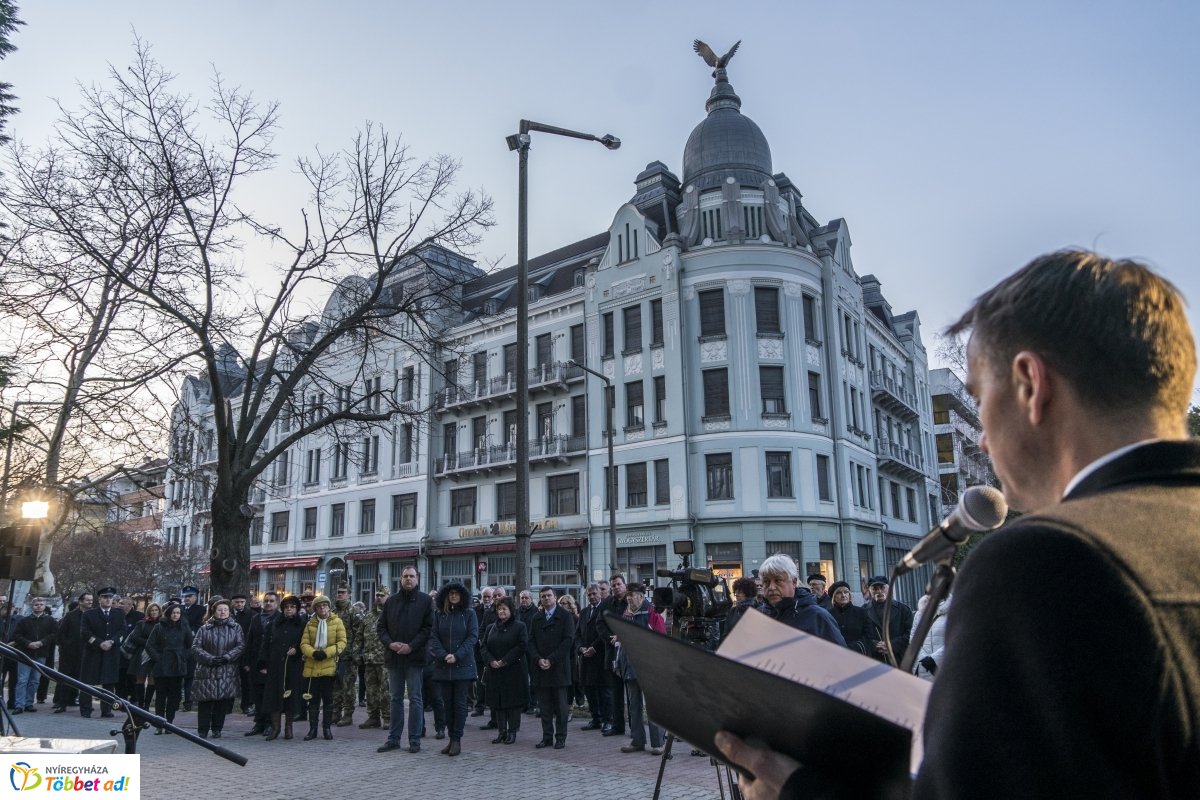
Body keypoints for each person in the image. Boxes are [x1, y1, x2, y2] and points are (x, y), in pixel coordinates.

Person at [717, 249, 1200, 798]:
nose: (983, 440)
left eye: (979, 397)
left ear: (1030, 384)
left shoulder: (1046, 560)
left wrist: (796, 788)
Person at [376, 566, 432, 754]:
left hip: (415, 657)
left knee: (415, 698)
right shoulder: (391, 601)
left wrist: (411, 646)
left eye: (412, 576)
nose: (409, 579)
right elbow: (381, 627)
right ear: (400, 579)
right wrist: (390, 644)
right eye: (405, 576)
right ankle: (393, 739)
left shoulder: (425, 601)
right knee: (395, 699)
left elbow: (428, 628)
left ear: (417, 578)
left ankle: (415, 739)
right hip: (394, 657)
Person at [614, 582, 665, 754]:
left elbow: (661, 640)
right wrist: (618, 662)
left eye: (632, 595)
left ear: (642, 596)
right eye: (628, 595)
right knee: (633, 706)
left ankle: (658, 743)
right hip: (629, 665)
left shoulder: (652, 613)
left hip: (649, 667)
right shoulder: (626, 613)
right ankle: (637, 741)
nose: (629, 598)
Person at [428, 582, 477, 756]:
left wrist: (457, 655)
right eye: (450, 593)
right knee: (446, 704)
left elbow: (472, 637)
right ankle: (450, 738)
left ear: (462, 595)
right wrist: (443, 655)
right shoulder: (439, 614)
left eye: (456, 593)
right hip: (443, 665)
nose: (453, 596)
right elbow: (434, 637)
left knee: (460, 704)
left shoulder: (469, 614)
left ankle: (457, 739)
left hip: (462, 665)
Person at [528, 586, 576, 750]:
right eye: (543, 596)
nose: (546, 598)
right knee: (545, 706)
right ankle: (547, 737)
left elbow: (568, 640)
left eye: (549, 595)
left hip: (559, 667)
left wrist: (551, 659)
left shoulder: (565, 616)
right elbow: (531, 641)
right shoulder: (536, 618)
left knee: (561, 707)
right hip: (541, 668)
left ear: (555, 597)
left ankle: (560, 737)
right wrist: (539, 659)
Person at [757, 555, 844, 645]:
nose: (771, 587)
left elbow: (840, 652)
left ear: (794, 582)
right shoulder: (759, 615)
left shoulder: (817, 616)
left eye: (778, 580)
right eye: (766, 581)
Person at [191, 598, 245, 739]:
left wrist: (227, 657)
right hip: (206, 669)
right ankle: (202, 730)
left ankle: (217, 728)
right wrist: (210, 658)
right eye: (220, 610)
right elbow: (196, 647)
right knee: (205, 702)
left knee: (222, 702)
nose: (223, 612)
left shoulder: (236, 628)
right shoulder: (204, 628)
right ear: (213, 611)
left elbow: (240, 646)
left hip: (227, 669)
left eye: (225, 610)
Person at [481, 596, 528, 745]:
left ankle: (512, 731)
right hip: (494, 670)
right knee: (497, 702)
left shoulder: (520, 626)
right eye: (499, 609)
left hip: (513, 670)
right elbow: (483, 647)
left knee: (512, 703)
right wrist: (491, 660)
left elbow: (521, 646)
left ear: (511, 610)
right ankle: (501, 732)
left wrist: (505, 660)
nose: (501, 611)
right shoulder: (491, 627)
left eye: (504, 609)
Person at [299, 594, 346, 741]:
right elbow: (304, 644)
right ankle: (312, 729)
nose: (322, 609)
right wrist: (313, 653)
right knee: (313, 700)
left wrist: (326, 653)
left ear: (329, 607)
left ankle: (327, 728)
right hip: (312, 666)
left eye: (324, 605)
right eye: (319, 607)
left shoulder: (337, 622)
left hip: (329, 665)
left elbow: (342, 642)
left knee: (328, 699)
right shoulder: (310, 624)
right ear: (315, 609)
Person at [258, 594, 305, 740]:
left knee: (290, 697)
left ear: (297, 609)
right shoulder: (275, 623)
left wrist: (297, 650)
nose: (289, 609)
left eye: (292, 607)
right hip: (275, 665)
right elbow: (266, 644)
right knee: (274, 697)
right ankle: (275, 728)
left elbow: (305, 642)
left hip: (293, 666)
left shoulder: (302, 624)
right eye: (286, 607)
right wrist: (263, 663)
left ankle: (288, 727)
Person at [144, 603, 191, 733]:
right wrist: (158, 658)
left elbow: (190, 645)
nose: (175, 615)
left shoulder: (184, 627)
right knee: (160, 695)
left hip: (177, 665)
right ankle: (159, 724)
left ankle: (169, 723)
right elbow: (149, 645)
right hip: (162, 665)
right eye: (173, 613)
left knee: (174, 696)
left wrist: (182, 657)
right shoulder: (159, 627)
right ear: (169, 614)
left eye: (178, 613)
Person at [79, 587, 125, 718]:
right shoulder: (89, 614)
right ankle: (86, 709)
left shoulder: (118, 613)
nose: (108, 600)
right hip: (93, 653)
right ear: (99, 599)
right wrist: (99, 643)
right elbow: (85, 632)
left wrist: (112, 641)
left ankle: (106, 709)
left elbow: (122, 630)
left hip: (111, 653)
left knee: (109, 683)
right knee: (88, 682)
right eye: (105, 597)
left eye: (110, 597)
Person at [593, 574, 628, 737]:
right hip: (612, 651)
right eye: (613, 585)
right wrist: (610, 638)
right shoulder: (607, 603)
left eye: (618, 584)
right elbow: (599, 624)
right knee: (615, 692)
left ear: (624, 585)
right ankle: (617, 726)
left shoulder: (631, 600)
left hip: (630, 652)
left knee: (632, 694)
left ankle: (635, 729)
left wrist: (622, 636)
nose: (616, 587)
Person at [243, 592, 280, 737]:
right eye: (266, 601)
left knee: (269, 695)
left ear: (277, 603)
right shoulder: (256, 618)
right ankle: (259, 722)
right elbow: (250, 639)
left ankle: (270, 723)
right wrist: (246, 661)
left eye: (271, 601)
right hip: (255, 661)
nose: (268, 603)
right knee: (257, 694)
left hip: (272, 662)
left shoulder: (279, 618)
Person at [575, 582, 610, 731]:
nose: (592, 596)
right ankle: (595, 718)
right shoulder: (584, 612)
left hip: (600, 656)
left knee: (604, 691)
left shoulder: (606, 610)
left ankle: (608, 720)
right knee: (589, 690)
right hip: (585, 658)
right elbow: (577, 633)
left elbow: (606, 632)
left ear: (600, 593)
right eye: (589, 594)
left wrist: (594, 647)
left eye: (594, 593)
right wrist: (580, 648)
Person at [12, 596, 56, 713]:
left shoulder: (50, 621)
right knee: (22, 679)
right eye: (36, 604)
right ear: (32, 606)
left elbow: (54, 634)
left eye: (41, 604)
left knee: (35, 680)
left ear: (45, 606)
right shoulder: (24, 621)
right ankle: (19, 705)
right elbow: (17, 635)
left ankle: (29, 703)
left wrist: (42, 642)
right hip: (25, 654)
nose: (39, 606)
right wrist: (28, 643)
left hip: (41, 653)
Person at [357, 587, 391, 730]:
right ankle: (373, 717)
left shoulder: (391, 615)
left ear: (388, 597)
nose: (378, 597)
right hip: (369, 659)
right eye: (377, 595)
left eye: (382, 595)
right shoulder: (369, 616)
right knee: (371, 691)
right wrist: (357, 653)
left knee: (386, 691)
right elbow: (360, 636)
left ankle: (387, 717)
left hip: (385, 660)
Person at [52, 592, 91, 712]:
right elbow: (61, 633)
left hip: (86, 653)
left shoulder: (93, 615)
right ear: (80, 601)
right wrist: (66, 645)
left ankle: (76, 701)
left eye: (91, 600)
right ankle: (61, 703)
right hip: (69, 654)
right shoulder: (70, 616)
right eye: (87, 600)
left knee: (82, 679)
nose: (90, 602)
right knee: (65, 678)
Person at [331, 585, 364, 727]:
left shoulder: (354, 611)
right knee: (335, 685)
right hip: (334, 654)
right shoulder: (333, 612)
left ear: (349, 595)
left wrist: (355, 652)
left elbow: (359, 634)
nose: (340, 594)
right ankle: (335, 712)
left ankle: (348, 715)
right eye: (338, 592)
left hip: (349, 655)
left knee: (348, 686)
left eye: (343, 592)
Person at [862, 575, 913, 665]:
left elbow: (911, 633)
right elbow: (860, 635)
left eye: (882, 587)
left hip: (899, 659)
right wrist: (874, 645)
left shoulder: (903, 609)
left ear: (889, 589)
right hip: (874, 660)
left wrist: (892, 645)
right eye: (875, 588)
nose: (879, 591)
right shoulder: (863, 611)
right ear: (869, 590)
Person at [124, 602, 161, 710]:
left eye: (156, 610)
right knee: (140, 679)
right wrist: (150, 643)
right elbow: (135, 638)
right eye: (152, 610)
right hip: (141, 653)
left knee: (152, 680)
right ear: (148, 612)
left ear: (159, 612)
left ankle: (147, 705)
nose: (154, 612)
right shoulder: (142, 623)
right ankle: (140, 704)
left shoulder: (163, 624)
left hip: (155, 654)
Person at [909, 593, 950, 681]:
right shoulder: (919, 614)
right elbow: (913, 639)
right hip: (921, 666)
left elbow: (954, 640)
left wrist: (934, 659)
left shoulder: (952, 612)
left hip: (943, 665)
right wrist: (924, 659)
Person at [826, 581, 871, 655]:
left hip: (858, 654)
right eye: (839, 593)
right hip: (836, 654)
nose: (843, 595)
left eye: (846, 592)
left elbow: (868, 636)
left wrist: (853, 647)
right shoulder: (828, 614)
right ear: (834, 597)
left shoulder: (861, 612)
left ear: (849, 595)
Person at [230, 593, 257, 715]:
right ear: (232, 603)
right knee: (230, 680)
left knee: (246, 681)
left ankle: (247, 704)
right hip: (229, 652)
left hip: (245, 652)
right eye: (237, 602)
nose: (239, 604)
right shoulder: (228, 614)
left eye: (242, 602)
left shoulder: (252, 615)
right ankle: (228, 705)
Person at [179, 586, 205, 711]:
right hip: (179, 646)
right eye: (184, 596)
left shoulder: (200, 610)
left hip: (191, 646)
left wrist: (186, 633)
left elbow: (199, 626)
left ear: (195, 597)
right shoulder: (179, 609)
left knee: (189, 676)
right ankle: (176, 701)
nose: (186, 598)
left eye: (189, 596)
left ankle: (188, 702)